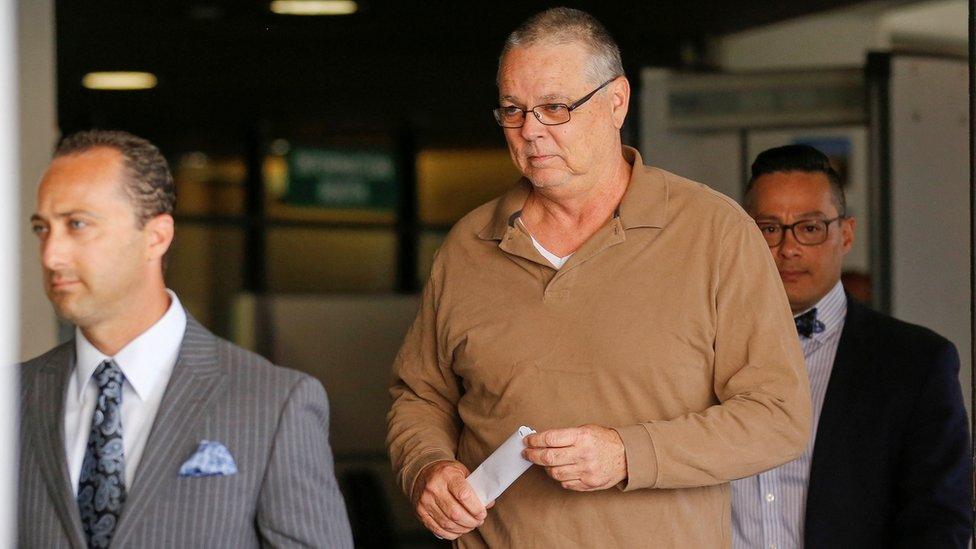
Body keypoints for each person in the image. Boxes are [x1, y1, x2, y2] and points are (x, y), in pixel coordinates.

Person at [386, 8, 811, 547]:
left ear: (617, 102)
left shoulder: (715, 233)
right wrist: (427, 468)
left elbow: (778, 419)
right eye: (513, 110)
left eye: (555, 107)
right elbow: (419, 396)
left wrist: (628, 455)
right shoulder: (469, 245)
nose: (530, 131)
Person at [19, 129, 354, 548]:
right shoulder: (12, 399)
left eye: (78, 224)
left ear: (156, 237)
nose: (52, 255)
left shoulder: (273, 404)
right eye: (41, 229)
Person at [732, 144, 972, 548]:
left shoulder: (916, 362)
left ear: (845, 234)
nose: (788, 248)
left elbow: (939, 518)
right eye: (769, 228)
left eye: (810, 228)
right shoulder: (703, 349)